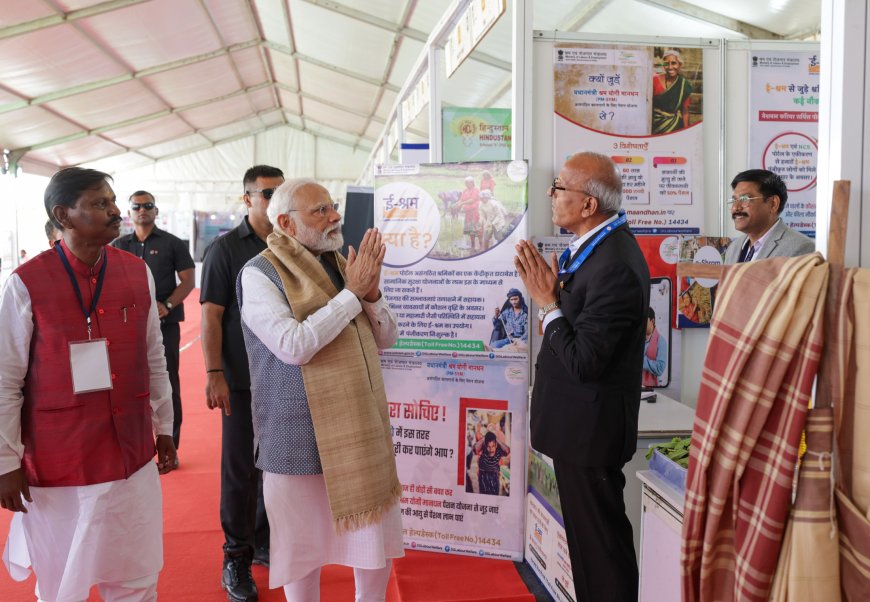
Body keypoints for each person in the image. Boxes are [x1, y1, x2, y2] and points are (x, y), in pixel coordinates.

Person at [0, 167, 175, 602]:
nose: (117, 212)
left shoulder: (137, 272)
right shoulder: (25, 284)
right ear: (63, 214)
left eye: (113, 201)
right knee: (62, 581)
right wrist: (5, 461)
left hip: (131, 457)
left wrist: (165, 426)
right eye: (101, 203)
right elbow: (5, 379)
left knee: (135, 574)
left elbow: (154, 357)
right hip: (62, 463)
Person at [236, 178, 403, 601]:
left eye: (332, 207)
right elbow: (294, 346)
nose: (335, 216)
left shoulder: (343, 264)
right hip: (295, 435)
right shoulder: (260, 273)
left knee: (371, 546)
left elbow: (386, 338)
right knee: (301, 550)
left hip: (358, 433)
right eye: (321, 211)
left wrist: (372, 291)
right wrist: (351, 295)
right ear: (288, 225)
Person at [514, 151, 650, 601]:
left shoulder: (614, 263)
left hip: (590, 435)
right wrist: (555, 301)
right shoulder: (595, 251)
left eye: (559, 188)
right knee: (591, 552)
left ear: (588, 204)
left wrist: (549, 303)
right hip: (579, 429)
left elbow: (584, 361)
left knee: (602, 552)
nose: (552, 196)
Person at [201, 165, 283, 601]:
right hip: (241, 381)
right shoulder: (225, 250)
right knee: (241, 470)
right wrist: (215, 373)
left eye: (282, 193)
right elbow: (211, 315)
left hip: (289, 380)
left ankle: (264, 539)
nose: (276, 200)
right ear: (247, 198)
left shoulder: (293, 246)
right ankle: (236, 556)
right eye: (268, 193)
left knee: (280, 467)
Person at [111, 191, 194, 462]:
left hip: (165, 324)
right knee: (123, 383)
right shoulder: (117, 245)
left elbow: (188, 281)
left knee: (168, 381)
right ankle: (131, 446)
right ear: (130, 212)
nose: (142, 210)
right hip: (124, 328)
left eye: (148, 206)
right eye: (137, 206)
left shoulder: (173, 244)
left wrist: (167, 305)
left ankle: (171, 445)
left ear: (156, 211)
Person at [724, 169, 815, 264]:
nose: (735, 207)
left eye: (745, 199)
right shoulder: (734, 247)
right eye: (734, 200)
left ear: (773, 204)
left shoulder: (801, 248)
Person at [652, 49, 693, 134]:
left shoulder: (683, 85)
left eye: (674, 63)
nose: (670, 67)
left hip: (674, 127)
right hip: (655, 126)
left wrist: (686, 133)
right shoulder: (654, 80)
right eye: (667, 64)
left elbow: (685, 112)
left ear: (680, 65)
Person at [473, 430, 510, 496]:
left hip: (494, 475)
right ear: (485, 445)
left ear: (496, 445)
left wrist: (496, 439)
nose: (491, 449)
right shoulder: (483, 449)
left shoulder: (499, 450)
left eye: (493, 446)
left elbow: (507, 451)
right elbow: (475, 449)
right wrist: (484, 438)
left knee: (494, 496)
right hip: (483, 475)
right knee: (484, 496)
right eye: (488, 447)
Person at [642, 306, 667, 387]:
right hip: (633, 387)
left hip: (652, 389)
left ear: (652, 321)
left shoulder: (661, 341)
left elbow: (660, 368)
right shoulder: (634, 339)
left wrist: (640, 359)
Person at [456, 176, 481, 252]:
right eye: (465, 183)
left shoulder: (476, 190)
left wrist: (462, 203)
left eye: (468, 183)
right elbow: (461, 199)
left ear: (472, 182)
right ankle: (472, 246)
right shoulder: (465, 190)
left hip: (475, 212)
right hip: (468, 213)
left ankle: (481, 245)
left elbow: (472, 200)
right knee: (470, 230)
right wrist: (457, 203)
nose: (466, 184)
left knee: (477, 229)